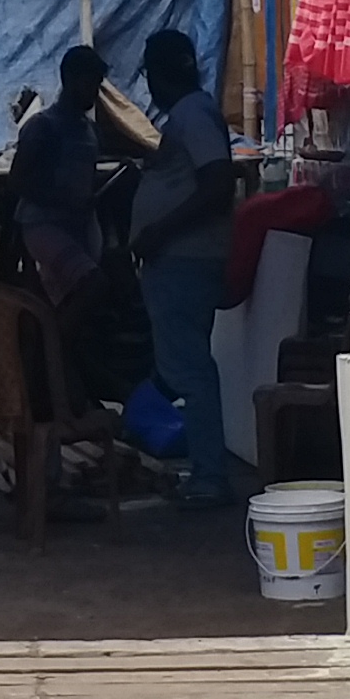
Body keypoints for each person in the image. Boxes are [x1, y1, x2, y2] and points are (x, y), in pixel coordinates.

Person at [127, 29, 242, 508]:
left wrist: (162, 230)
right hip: (181, 257)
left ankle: (209, 476)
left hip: (184, 257)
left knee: (190, 370)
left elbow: (218, 183)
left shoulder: (192, 114)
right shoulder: (188, 115)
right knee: (180, 364)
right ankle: (200, 463)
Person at [6, 45, 110, 304]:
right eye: (89, 84)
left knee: (70, 299)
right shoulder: (42, 127)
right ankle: (54, 342)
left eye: (97, 86)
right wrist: (62, 200)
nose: (94, 93)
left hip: (80, 225)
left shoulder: (89, 130)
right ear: (69, 79)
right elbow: (18, 180)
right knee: (91, 285)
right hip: (43, 225)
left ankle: (58, 341)